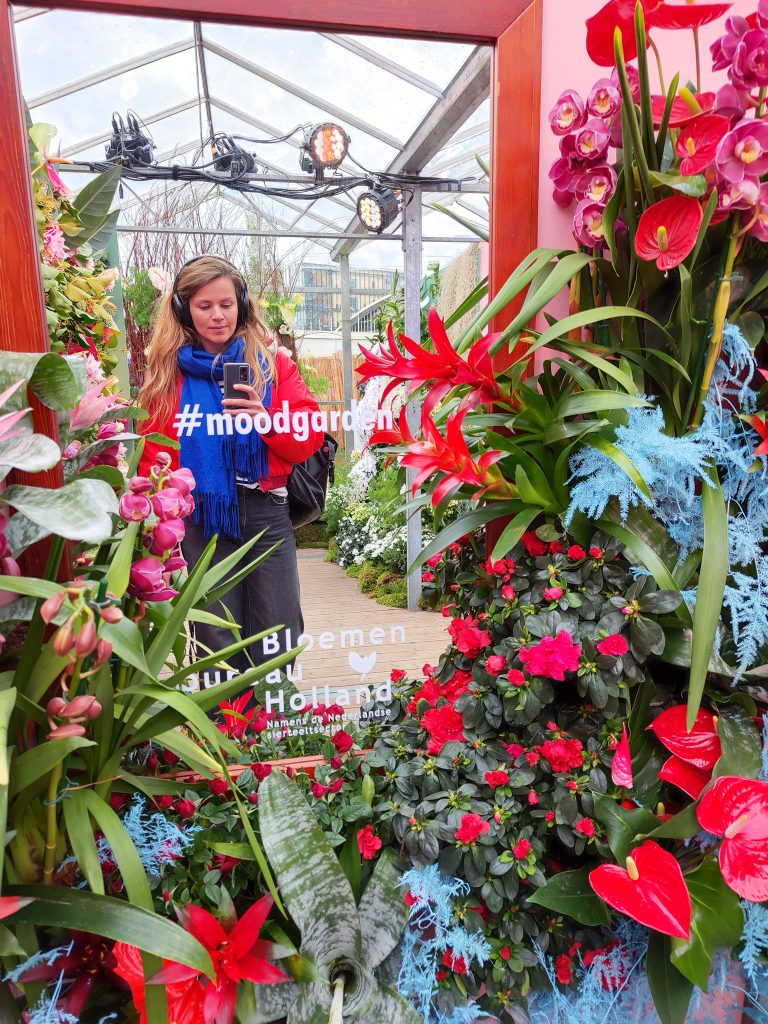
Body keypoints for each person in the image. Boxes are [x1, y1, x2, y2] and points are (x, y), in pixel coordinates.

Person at [138, 254, 323, 688]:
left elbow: (309, 438)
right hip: (202, 517)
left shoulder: (274, 364)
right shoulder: (167, 376)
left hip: (266, 511)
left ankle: (274, 724)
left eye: (226, 303)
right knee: (215, 629)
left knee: (279, 626)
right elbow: (153, 454)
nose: (218, 315)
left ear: (241, 303)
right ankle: (226, 724)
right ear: (184, 310)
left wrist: (267, 419)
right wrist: (157, 520)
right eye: (204, 306)